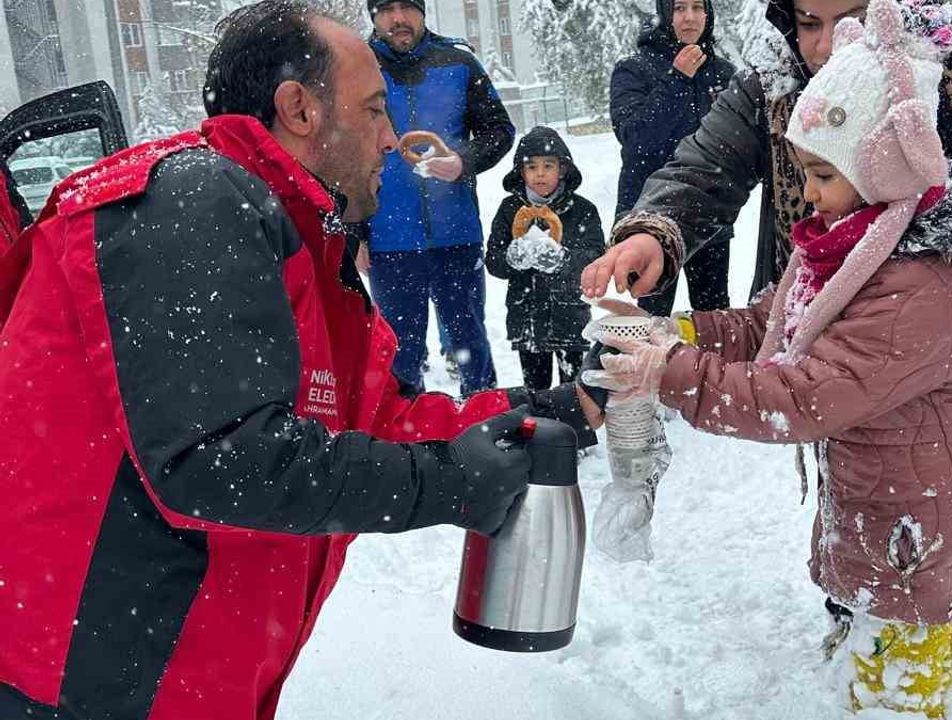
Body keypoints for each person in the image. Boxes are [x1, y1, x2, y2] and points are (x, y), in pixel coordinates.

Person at [0, 3, 597, 717]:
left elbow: (375, 421)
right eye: (374, 111)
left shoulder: (304, 240)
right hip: (86, 689)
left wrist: (541, 412)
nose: (389, 140)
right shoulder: (189, 201)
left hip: (191, 682)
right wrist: (447, 484)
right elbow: (221, 459)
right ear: (300, 109)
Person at [583, 0, 952, 652]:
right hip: (826, 289)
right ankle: (862, 603)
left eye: (847, 17)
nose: (821, 44)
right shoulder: (775, 71)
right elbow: (707, 164)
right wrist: (656, 236)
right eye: (806, 21)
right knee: (866, 455)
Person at [363, 0, 515, 394]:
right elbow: (338, 156)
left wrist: (463, 161)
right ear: (373, 16)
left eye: (407, 7)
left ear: (422, 11)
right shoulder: (357, 70)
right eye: (386, 9)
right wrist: (354, 233)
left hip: (456, 234)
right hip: (388, 239)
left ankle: (484, 428)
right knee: (398, 352)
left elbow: (499, 130)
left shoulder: (458, 63)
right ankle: (404, 438)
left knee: (471, 343)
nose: (398, 19)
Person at [609, 0, 735, 316]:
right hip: (650, 215)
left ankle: (706, 368)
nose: (690, 18)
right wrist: (677, 80)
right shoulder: (634, 69)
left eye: (697, 7)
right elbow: (635, 139)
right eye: (679, 8)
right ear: (666, 14)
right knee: (647, 319)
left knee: (713, 317)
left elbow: (737, 144)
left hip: (708, 214)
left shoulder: (722, 72)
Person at [485, 126, 604, 390]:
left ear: (562, 169)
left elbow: (596, 257)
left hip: (569, 316)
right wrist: (512, 258)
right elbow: (493, 259)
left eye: (548, 166)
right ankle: (539, 428)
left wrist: (564, 260)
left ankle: (575, 430)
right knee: (535, 390)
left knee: (573, 390)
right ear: (521, 171)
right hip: (526, 316)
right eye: (531, 167)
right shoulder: (509, 210)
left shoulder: (583, 211)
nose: (540, 173)